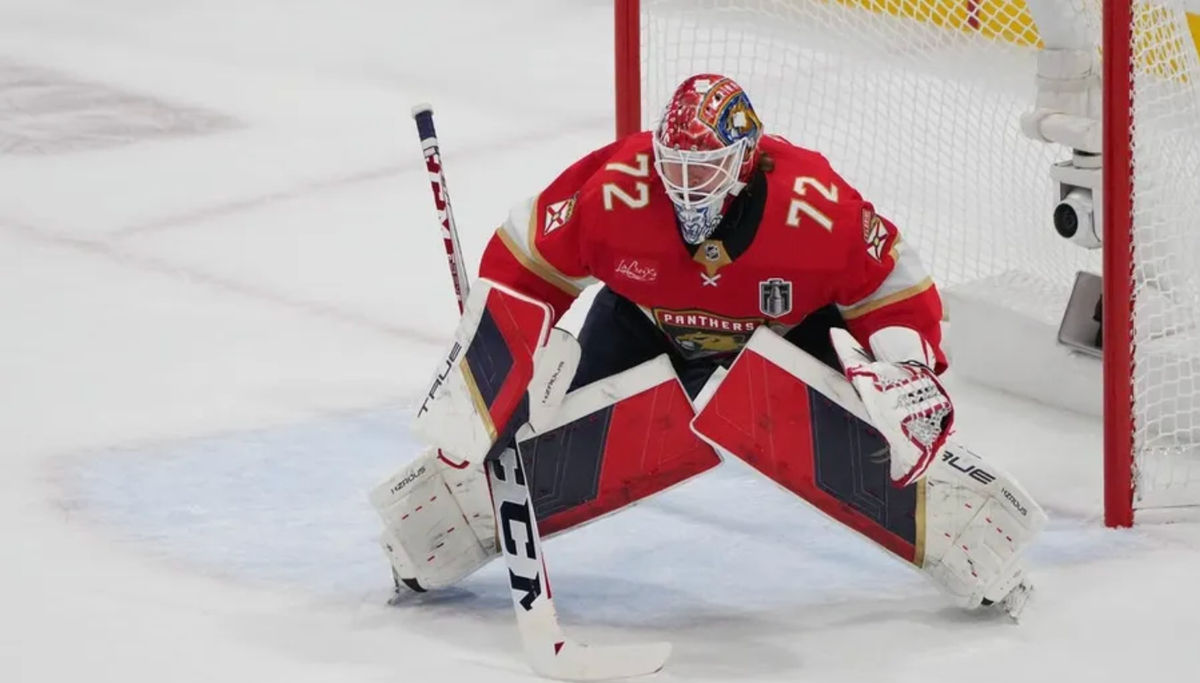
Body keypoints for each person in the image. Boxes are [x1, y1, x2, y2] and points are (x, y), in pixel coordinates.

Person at [370, 74, 1037, 615]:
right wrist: (498, 358)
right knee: (524, 432)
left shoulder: (812, 205)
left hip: (780, 332)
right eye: (675, 168)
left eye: (706, 169)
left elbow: (891, 279)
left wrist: (905, 368)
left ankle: (974, 533)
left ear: (746, 160)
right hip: (642, 324)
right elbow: (526, 256)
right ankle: (430, 536)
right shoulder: (619, 189)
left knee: (890, 435)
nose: (686, 187)